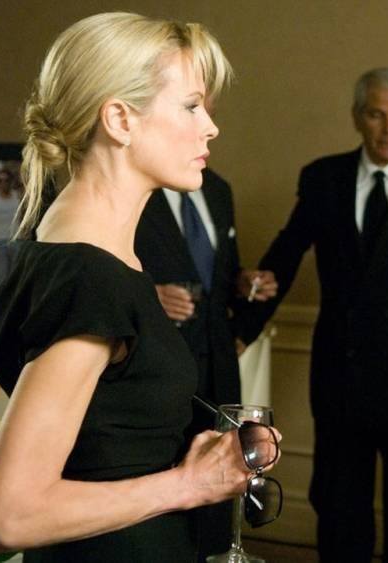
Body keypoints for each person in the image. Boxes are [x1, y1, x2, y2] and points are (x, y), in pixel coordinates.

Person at [0, 13, 278, 561]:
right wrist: (190, 483)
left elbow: (105, 439)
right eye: (191, 106)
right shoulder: (88, 274)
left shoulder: (92, 255)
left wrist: (198, 457)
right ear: (119, 119)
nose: (210, 127)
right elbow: (9, 517)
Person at [244, 67, 388, 562]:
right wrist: (242, 323)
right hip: (340, 378)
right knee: (338, 512)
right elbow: (284, 257)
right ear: (357, 117)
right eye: (376, 115)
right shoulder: (323, 178)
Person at [134, 166, 277, 561]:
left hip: (219, 363)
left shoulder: (217, 188)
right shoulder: (137, 182)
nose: (208, 134)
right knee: (166, 476)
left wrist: (244, 282)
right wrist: (149, 294)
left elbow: (222, 273)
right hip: (159, 363)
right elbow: (102, 265)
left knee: (222, 474)